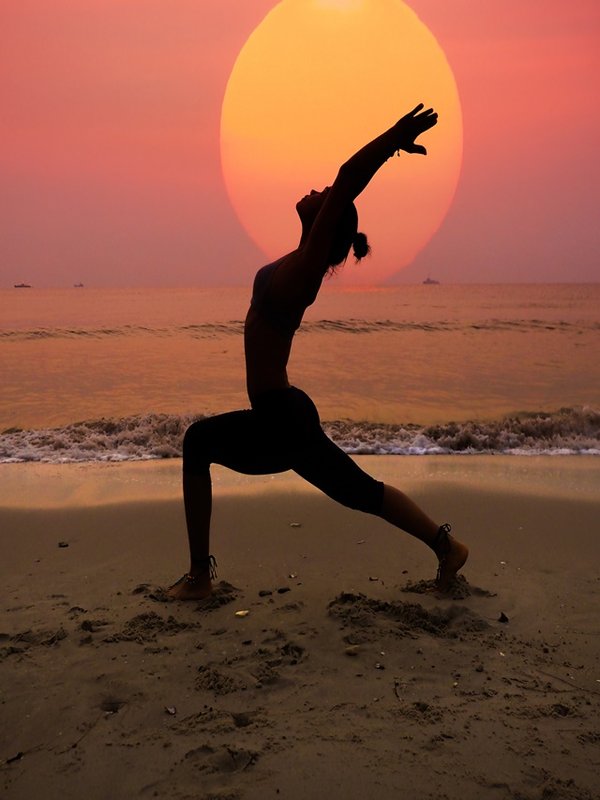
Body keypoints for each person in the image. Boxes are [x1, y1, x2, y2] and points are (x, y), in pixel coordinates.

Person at [168, 104, 468, 601]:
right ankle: (446, 546)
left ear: (328, 225)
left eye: (325, 197)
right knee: (360, 492)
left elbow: (348, 178)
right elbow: (341, 187)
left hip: (280, 418)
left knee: (198, 443)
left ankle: (200, 577)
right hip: (283, 414)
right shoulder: (294, 262)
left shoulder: (306, 270)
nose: (317, 191)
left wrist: (395, 137)